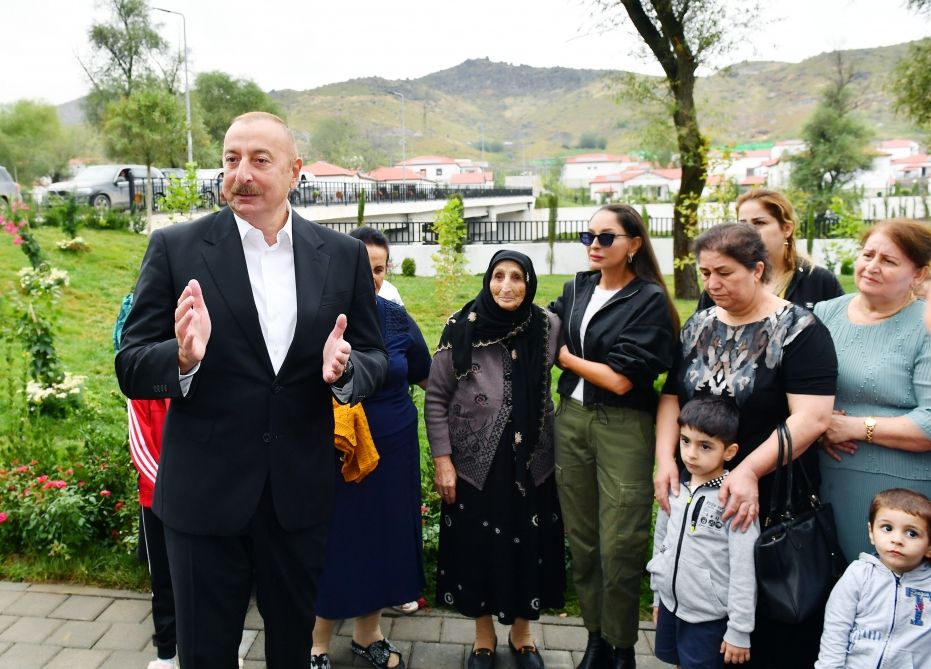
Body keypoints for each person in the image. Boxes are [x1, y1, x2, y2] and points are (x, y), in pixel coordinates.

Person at [115, 111, 388, 669]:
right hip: (203, 500)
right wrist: (183, 358)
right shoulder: (176, 247)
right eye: (231, 159)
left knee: (292, 653)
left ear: (295, 172)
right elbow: (131, 363)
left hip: (299, 497)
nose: (241, 173)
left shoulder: (341, 256)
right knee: (206, 656)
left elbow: (373, 355)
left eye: (260, 160)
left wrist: (345, 372)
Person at [655, 222, 837, 668]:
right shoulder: (699, 324)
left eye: (725, 273)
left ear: (758, 270)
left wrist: (749, 471)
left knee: (765, 635)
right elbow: (673, 397)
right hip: (699, 487)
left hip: (770, 498)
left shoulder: (799, 330)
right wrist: (664, 459)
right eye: (704, 273)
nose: (712, 284)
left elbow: (812, 417)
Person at [549, 204, 679, 669]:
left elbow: (623, 379)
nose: (595, 246)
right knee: (583, 542)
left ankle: (623, 645)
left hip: (624, 427)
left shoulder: (649, 301)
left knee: (620, 543)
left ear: (635, 244)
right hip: (572, 421)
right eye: (588, 238)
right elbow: (545, 326)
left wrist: (566, 359)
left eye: (607, 238)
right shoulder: (578, 288)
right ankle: (595, 637)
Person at [425, 250, 564, 669]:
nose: (507, 286)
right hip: (474, 465)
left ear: (530, 281)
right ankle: (483, 637)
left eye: (517, 277)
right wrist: (443, 461)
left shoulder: (547, 327)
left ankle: (523, 635)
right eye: (498, 276)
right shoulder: (460, 328)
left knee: (529, 544)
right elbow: (435, 399)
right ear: (487, 280)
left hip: (533, 462)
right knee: (478, 546)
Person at [310, 227, 431, 669]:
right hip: (334, 449)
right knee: (335, 541)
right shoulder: (315, 315)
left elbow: (427, 375)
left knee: (384, 537)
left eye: (378, 270)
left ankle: (368, 634)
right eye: (362, 268)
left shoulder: (396, 317)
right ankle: (317, 643)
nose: (371, 278)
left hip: (393, 448)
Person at [813, 218, 931, 563]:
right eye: (868, 254)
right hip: (828, 482)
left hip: (904, 499)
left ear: (919, 274)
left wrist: (852, 427)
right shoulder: (825, 314)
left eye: (889, 261)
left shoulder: (925, 325)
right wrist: (815, 424)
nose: (872, 267)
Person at [649, 396, 757, 669]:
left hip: (709, 617)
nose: (691, 454)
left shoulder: (734, 502)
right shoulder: (675, 488)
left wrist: (739, 630)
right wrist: (658, 598)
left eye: (705, 446)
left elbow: (744, 570)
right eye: (685, 441)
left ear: (729, 451)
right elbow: (662, 545)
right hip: (672, 607)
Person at [815, 488, 931, 669]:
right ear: (871, 532)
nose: (896, 539)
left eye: (911, 533)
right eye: (887, 528)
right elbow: (836, 628)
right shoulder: (858, 574)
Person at [697, 189, 843, 311]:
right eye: (742, 224)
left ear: (786, 229)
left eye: (759, 222)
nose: (748, 231)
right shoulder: (720, 281)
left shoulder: (820, 281)